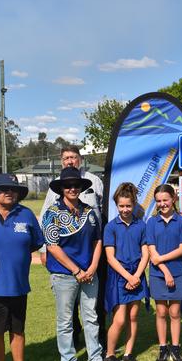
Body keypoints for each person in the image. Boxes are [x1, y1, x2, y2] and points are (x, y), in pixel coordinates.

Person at [0, 174, 45, 361]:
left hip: (18, 285)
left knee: (18, 330)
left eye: (14, 189)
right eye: (4, 189)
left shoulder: (26, 214)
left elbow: (36, 242)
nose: (10, 192)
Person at [39, 145, 105, 345]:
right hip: (66, 260)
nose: (70, 161)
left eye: (74, 157)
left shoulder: (95, 182)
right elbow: (46, 220)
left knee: (93, 308)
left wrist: (95, 261)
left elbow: (103, 213)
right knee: (67, 314)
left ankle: (97, 347)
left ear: (80, 159)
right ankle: (73, 345)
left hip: (92, 251)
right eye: (66, 157)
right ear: (62, 160)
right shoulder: (56, 190)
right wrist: (44, 250)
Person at [103, 182, 150, 361]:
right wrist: (128, 276)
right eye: (121, 206)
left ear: (134, 204)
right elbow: (110, 258)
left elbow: (145, 254)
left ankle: (129, 354)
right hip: (119, 276)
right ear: (116, 205)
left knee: (132, 316)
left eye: (128, 205)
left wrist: (137, 276)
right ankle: (110, 354)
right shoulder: (111, 227)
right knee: (120, 319)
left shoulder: (141, 226)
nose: (125, 209)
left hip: (137, 275)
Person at [146, 184, 182, 361]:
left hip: (177, 273)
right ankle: (163, 348)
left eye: (165, 200)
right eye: (158, 201)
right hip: (158, 274)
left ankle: (176, 347)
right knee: (161, 312)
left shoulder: (181, 221)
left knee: (174, 313)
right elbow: (151, 250)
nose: (162, 204)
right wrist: (165, 271)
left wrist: (162, 260)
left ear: (173, 199)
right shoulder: (151, 222)